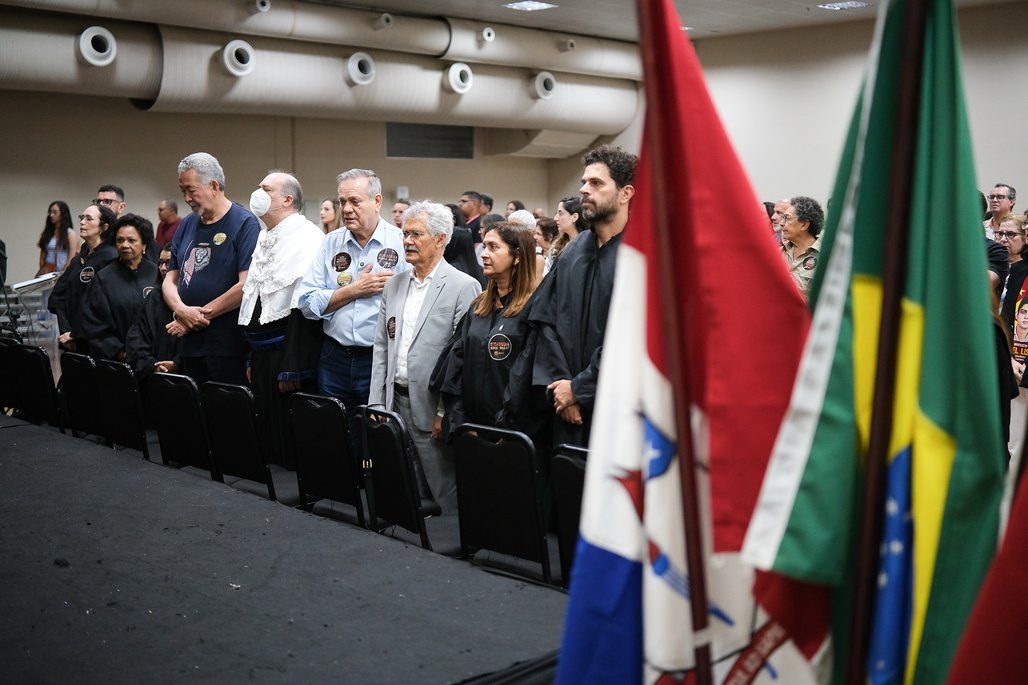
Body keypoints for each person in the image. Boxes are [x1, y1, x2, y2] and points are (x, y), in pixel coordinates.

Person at [369, 201, 481, 513]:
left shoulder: (463, 286)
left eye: (416, 234)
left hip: (433, 408)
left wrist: (445, 413)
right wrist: (377, 403)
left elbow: (462, 360)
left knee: (444, 493)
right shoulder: (394, 284)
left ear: (441, 238)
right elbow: (382, 348)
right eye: (405, 234)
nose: (407, 241)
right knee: (403, 486)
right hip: (394, 403)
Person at [529, 145, 637, 448]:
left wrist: (581, 387)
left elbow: (634, 338)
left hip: (619, 411)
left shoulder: (641, 257)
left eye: (596, 183)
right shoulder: (572, 252)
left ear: (625, 193)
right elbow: (545, 321)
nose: (584, 189)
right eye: (584, 182)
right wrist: (562, 389)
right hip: (566, 410)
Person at [298, 168, 408, 424]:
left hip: (379, 358)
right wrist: (353, 290)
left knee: (377, 431)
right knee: (336, 430)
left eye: (355, 201)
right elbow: (306, 303)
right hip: (334, 356)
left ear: (377, 201)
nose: (346, 209)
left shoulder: (401, 242)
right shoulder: (330, 243)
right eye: (342, 201)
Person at [239, 171, 324, 468]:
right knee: (266, 433)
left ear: (287, 199)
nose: (257, 193)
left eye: (266, 189)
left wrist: (293, 367)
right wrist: (251, 355)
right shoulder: (264, 235)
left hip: (289, 354)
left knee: (291, 438)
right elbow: (256, 298)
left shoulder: (309, 236)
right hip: (262, 353)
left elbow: (304, 306)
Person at [432, 221, 543, 442]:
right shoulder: (478, 308)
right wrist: (460, 421)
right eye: (484, 246)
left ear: (518, 256)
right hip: (470, 430)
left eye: (494, 247)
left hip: (511, 435)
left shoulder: (533, 311)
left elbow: (526, 380)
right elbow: (457, 364)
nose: (484, 254)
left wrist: (503, 428)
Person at [163, 152, 260, 385]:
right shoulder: (187, 224)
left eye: (191, 190)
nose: (186, 198)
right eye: (182, 191)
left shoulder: (245, 223)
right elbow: (169, 279)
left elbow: (245, 285)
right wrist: (182, 311)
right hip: (189, 344)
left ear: (214, 185)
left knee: (224, 416)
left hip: (226, 346)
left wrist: (196, 317)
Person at [78, 214, 159, 361]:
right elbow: (94, 325)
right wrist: (120, 354)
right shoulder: (104, 278)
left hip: (156, 361)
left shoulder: (156, 275)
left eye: (131, 240)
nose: (124, 245)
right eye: (120, 240)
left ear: (144, 245)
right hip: (119, 362)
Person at [49, 204, 118, 351]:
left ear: (104, 227)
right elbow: (58, 296)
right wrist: (66, 331)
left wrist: (76, 334)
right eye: (82, 217)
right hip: (70, 339)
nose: (82, 222)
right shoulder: (79, 259)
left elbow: (102, 307)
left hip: (97, 342)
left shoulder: (111, 258)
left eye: (89, 219)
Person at [125, 243, 181, 383]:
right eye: (160, 262)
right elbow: (137, 337)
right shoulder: (154, 298)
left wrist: (178, 364)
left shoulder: (195, 298)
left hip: (186, 378)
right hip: (153, 377)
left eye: (169, 263)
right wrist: (151, 365)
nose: (162, 268)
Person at [778, 195, 825, 300]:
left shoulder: (824, 256)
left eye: (787, 218)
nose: (781, 223)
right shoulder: (777, 254)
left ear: (804, 225)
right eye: (782, 218)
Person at [36, 201, 80, 276]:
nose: (51, 215)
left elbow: (71, 258)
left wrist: (63, 275)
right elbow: (43, 254)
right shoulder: (48, 233)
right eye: (50, 212)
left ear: (63, 214)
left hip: (63, 272)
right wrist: (43, 271)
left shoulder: (70, 234)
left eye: (55, 212)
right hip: (47, 271)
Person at [549, 196, 588, 273]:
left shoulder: (588, 244)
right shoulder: (557, 244)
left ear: (574, 217)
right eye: (556, 213)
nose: (555, 218)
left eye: (560, 213)